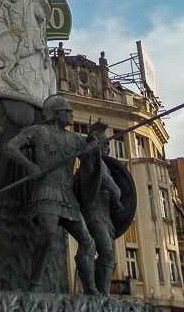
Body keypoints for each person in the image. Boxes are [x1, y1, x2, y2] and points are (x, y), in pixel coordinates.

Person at [3, 95, 97, 293]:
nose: (72, 115)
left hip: (68, 196)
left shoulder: (75, 139)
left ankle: (90, 289)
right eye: (68, 111)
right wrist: (30, 165)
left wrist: (92, 151)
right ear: (56, 114)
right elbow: (9, 148)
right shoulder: (38, 132)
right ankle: (35, 284)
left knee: (88, 242)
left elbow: (90, 169)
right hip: (46, 192)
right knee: (48, 236)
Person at [74, 120, 124, 295]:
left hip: (104, 217)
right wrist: (117, 200)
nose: (107, 148)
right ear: (96, 146)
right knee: (107, 253)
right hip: (95, 215)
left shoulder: (97, 165)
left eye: (108, 144)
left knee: (111, 260)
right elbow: (113, 188)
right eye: (103, 144)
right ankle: (100, 296)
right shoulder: (94, 163)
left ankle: (99, 293)